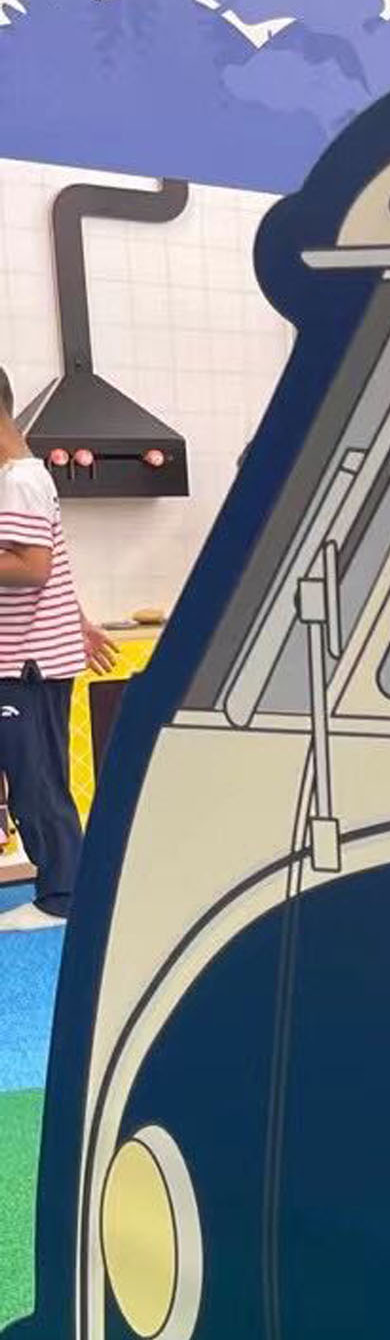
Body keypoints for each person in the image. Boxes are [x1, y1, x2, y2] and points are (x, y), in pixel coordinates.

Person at [0, 364, 116, 932]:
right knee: (32, 774)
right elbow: (54, 566)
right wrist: (82, 621)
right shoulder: (21, 479)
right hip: (29, 654)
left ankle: (62, 898)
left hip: (25, 664)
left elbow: (31, 567)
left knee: (38, 778)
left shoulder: (18, 480)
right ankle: (63, 887)